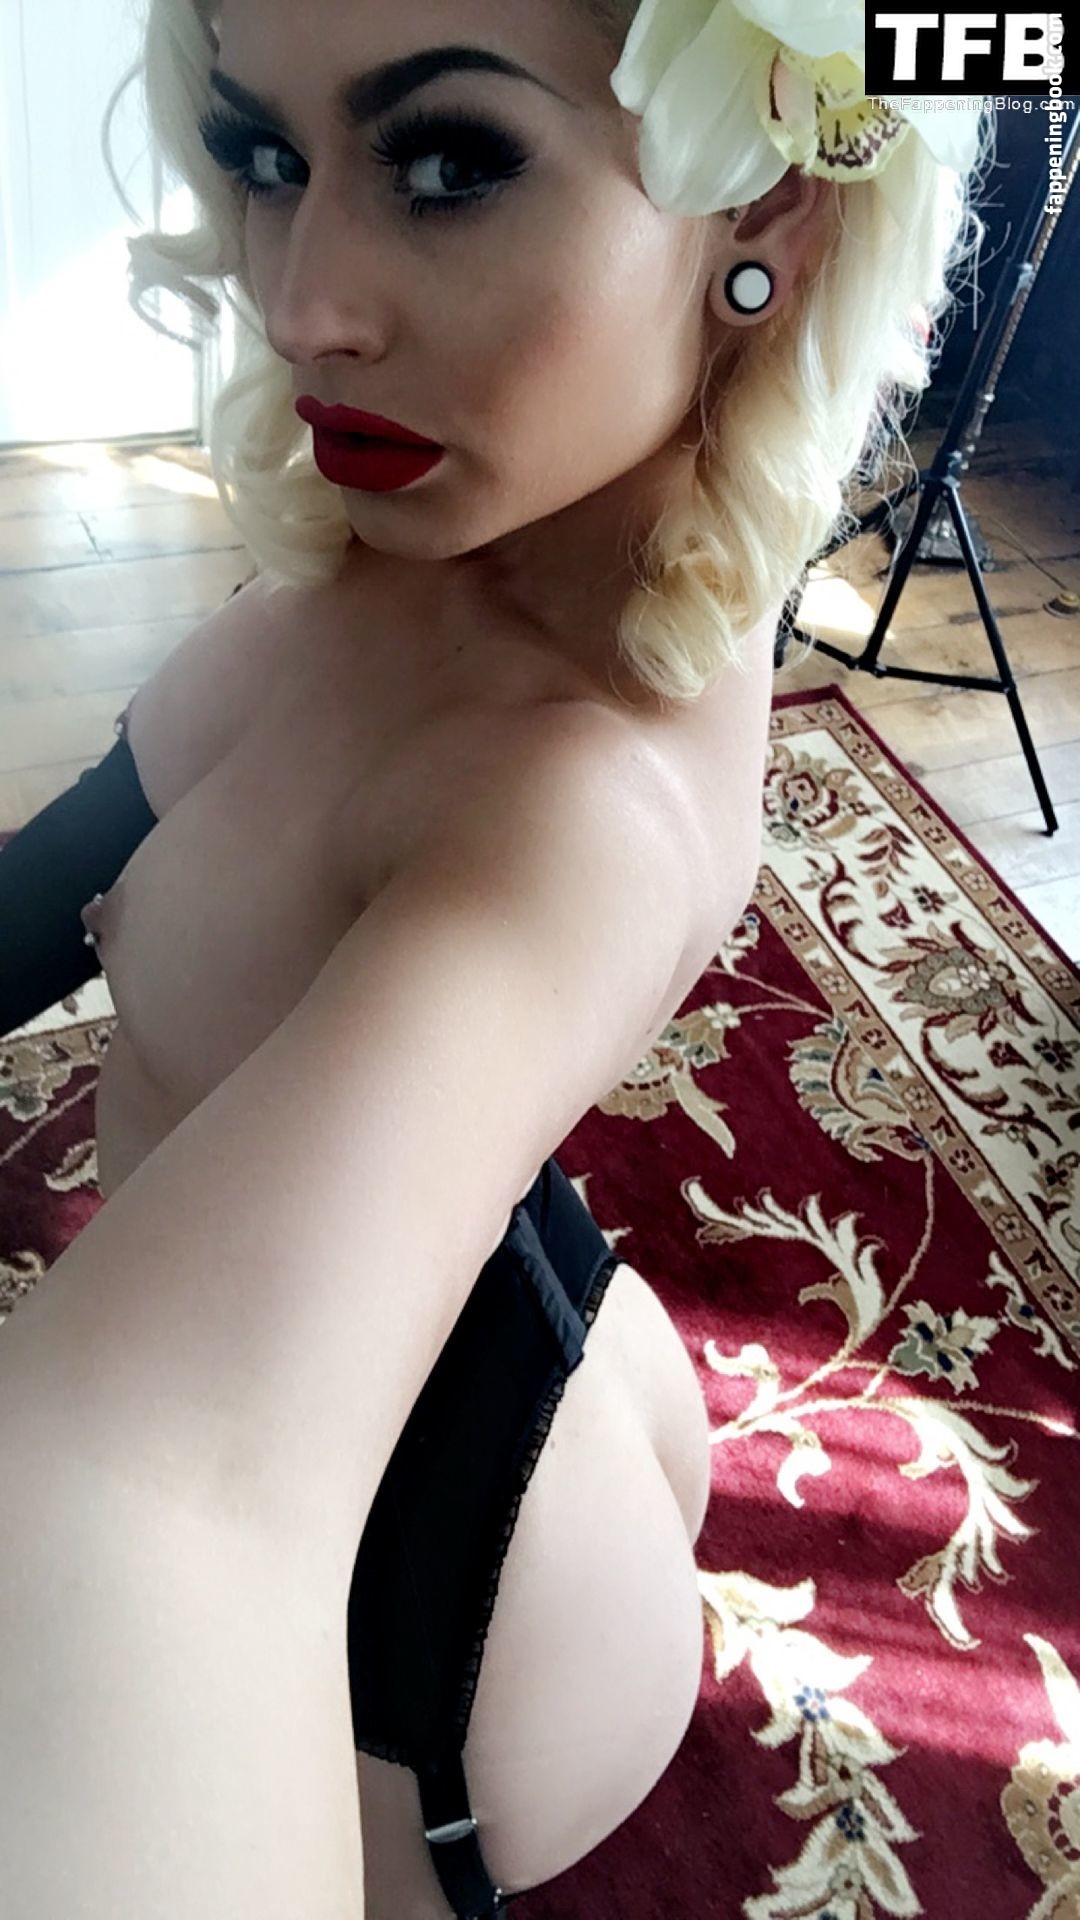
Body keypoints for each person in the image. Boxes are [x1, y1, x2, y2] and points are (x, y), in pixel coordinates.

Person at [0, 2, 989, 1914]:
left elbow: (152, 1491)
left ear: (763, 205)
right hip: (538, 1360)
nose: (303, 307)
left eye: (450, 162)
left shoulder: (569, 806)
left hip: (442, 1657)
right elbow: (57, 880)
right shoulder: (450, 553)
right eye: (267, 157)